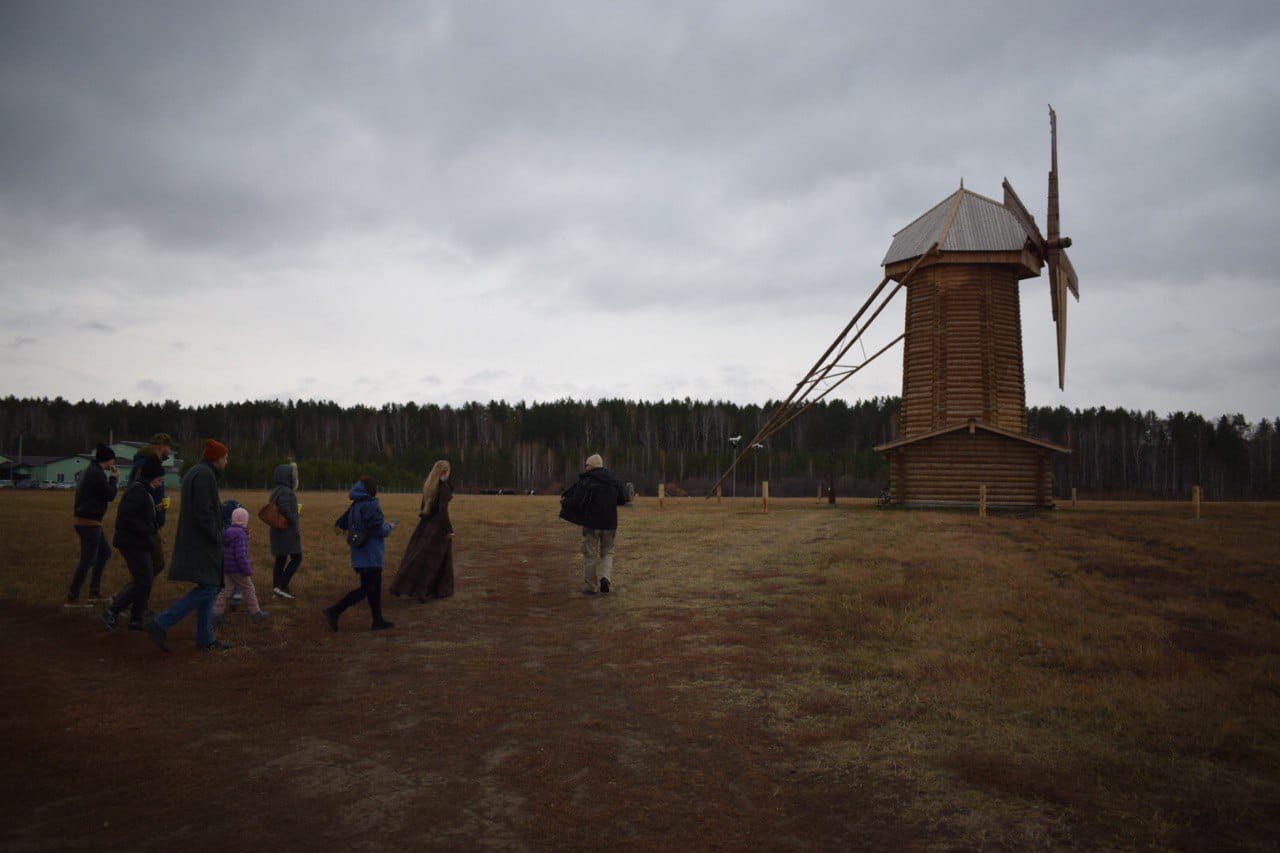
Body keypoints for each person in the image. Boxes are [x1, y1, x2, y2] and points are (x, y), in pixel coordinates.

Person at [147, 439, 232, 653]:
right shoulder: (205, 475)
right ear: (217, 458)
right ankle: (161, 623)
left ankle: (205, 637)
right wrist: (217, 535)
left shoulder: (198, 472)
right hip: (201, 542)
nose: (227, 461)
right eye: (225, 457)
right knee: (210, 587)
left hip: (198, 539)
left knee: (209, 586)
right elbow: (204, 512)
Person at [116, 431, 178, 619]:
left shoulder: (151, 463)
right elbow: (138, 491)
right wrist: (153, 509)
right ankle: (126, 602)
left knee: (151, 566)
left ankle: (135, 603)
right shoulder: (144, 464)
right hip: (145, 524)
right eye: (169, 448)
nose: (170, 452)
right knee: (153, 565)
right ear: (161, 446)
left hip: (151, 520)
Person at [322, 476, 396, 632]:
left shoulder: (355, 505)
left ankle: (378, 620)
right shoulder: (371, 505)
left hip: (359, 554)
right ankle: (334, 610)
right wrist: (390, 527)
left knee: (372, 588)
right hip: (372, 554)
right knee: (368, 589)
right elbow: (379, 530)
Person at [101, 454, 165, 633]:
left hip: (138, 542)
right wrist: (148, 529)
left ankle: (136, 620)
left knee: (144, 579)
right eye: (159, 479)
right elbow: (128, 518)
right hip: (132, 543)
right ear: (151, 477)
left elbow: (141, 514)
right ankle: (112, 611)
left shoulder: (144, 491)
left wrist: (154, 513)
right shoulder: (137, 491)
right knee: (143, 580)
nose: (160, 483)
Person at [560, 453, 630, 595]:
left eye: (586, 465)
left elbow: (577, 502)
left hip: (591, 524)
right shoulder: (614, 480)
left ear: (591, 466)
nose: (585, 468)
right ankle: (605, 578)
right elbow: (624, 499)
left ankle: (591, 586)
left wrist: (564, 502)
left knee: (590, 554)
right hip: (610, 524)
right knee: (608, 553)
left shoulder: (587, 481)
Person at [389, 460, 455, 601]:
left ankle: (401, 586)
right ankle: (423, 591)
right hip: (437, 528)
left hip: (425, 524)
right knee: (433, 562)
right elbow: (443, 511)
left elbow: (423, 509)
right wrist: (448, 529)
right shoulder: (444, 487)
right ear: (445, 472)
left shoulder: (429, 486)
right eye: (449, 471)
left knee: (416, 557)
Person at [66, 444, 120, 607]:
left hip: (88, 521)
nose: (114, 461)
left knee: (104, 553)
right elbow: (110, 495)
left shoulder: (92, 471)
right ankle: (73, 596)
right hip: (89, 522)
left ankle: (94, 591)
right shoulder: (96, 474)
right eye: (112, 459)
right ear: (107, 459)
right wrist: (114, 478)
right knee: (88, 559)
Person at [212, 508, 269, 623]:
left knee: (224, 590)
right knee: (249, 588)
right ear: (245, 520)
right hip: (238, 569)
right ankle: (256, 612)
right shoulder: (241, 534)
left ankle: (216, 614)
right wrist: (247, 569)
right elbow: (240, 555)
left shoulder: (228, 531)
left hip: (226, 567)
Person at [267, 461, 303, 600]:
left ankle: (277, 587)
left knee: (280, 559)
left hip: (278, 531)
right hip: (286, 532)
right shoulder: (287, 491)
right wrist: (295, 518)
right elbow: (284, 507)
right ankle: (282, 584)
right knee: (297, 558)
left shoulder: (276, 490)